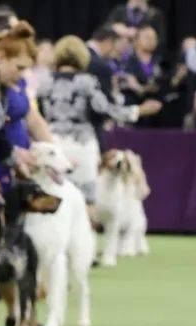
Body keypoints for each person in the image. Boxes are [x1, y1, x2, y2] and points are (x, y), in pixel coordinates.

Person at [37, 36, 159, 204]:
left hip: (53, 145)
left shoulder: (45, 82)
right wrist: (138, 110)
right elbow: (106, 109)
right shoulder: (87, 82)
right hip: (82, 145)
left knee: (54, 197)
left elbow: (39, 117)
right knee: (85, 201)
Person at [0, 22, 54, 192]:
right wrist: (13, 154)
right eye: (19, 67)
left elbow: (34, 119)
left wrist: (55, 152)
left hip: (15, 163)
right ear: (0, 57)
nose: (22, 74)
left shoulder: (17, 83)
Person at [119, 25, 165, 125]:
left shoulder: (161, 61)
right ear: (136, 40)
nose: (151, 41)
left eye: (154, 38)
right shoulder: (125, 61)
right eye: (147, 37)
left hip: (157, 109)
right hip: (134, 107)